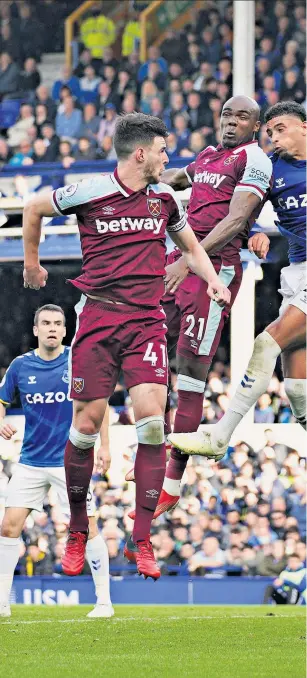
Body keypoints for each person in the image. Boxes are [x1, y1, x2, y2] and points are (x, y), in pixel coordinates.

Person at [22, 113, 231, 581]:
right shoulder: (89, 192)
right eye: (161, 150)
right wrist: (32, 265)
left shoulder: (164, 199)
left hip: (146, 322)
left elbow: (192, 248)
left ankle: (142, 539)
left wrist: (213, 280)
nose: (165, 158)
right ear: (140, 153)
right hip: (97, 317)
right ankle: (78, 528)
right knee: (86, 427)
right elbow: (33, 207)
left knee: (154, 422)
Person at [128, 96, 273, 519]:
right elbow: (181, 176)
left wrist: (189, 258)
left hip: (214, 269)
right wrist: (150, 178)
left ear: (256, 124)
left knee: (191, 371)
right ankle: (150, 456)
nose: (231, 122)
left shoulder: (254, 158)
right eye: (226, 114)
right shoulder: (210, 155)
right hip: (183, 263)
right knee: (148, 351)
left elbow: (234, 220)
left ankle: (170, 484)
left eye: (241, 116)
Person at [170, 101, 306, 459]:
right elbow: (242, 213)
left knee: (266, 344)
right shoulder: (270, 168)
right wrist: (255, 233)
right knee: (295, 388)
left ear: (305, 128)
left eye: (282, 129)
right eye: (270, 131)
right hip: (296, 272)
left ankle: (219, 436)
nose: (274, 138)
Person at [0, 305, 113, 619]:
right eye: (46, 323)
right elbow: (1, 399)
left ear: (65, 330)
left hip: (71, 462)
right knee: (8, 528)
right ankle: (2, 602)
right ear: (36, 329)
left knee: (87, 527)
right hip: (31, 462)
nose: (52, 328)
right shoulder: (20, 366)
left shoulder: (78, 362)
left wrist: (105, 447)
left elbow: (97, 405)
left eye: (58, 324)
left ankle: (104, 602)